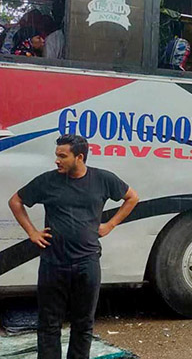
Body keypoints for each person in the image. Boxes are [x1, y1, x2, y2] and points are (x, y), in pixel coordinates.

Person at [7, 134, 139, 359]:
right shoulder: (47, 181)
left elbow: (132, 198)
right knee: (49, 324)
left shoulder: (103, 180)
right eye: (56, 155)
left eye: (62, 156)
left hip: (86, 263)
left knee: (83, 324)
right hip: (53, 263)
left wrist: (111, 225)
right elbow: (15, 201)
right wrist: (32, 232)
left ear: (79, 157)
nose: (56, 160)